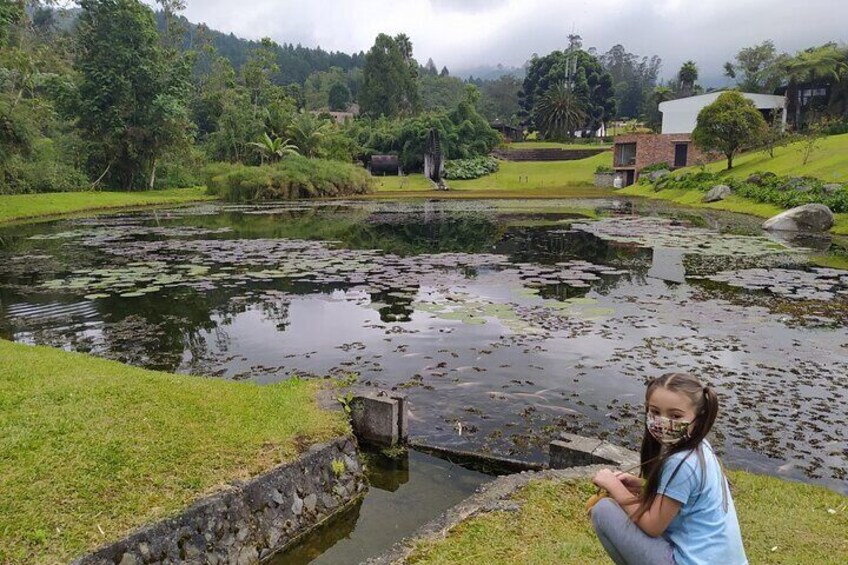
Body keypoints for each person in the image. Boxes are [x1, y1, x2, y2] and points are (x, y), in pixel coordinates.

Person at [589, 372, 747, 565]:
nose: (663, 421)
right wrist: (643, 486)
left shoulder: (682, 462)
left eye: (675, 415)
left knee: (603, 510)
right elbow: (683, 497)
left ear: (698, 417)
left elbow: (652, 525)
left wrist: (615, 487)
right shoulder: (700, 448)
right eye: (655, 412)